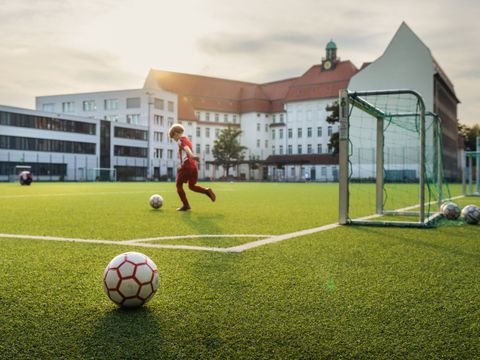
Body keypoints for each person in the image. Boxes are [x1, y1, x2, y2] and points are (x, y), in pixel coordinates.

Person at [169, 124, 216, 211]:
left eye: (173, 137)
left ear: (175, 133)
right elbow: (185, 148)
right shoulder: (187, 139)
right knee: (191, 186)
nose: (174, 139)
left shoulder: (180, 140)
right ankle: (207, 191)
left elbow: (186, 148)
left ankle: (186, 205)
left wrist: (192, 155)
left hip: (187, 165)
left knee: (178, 184)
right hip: (193, 165)